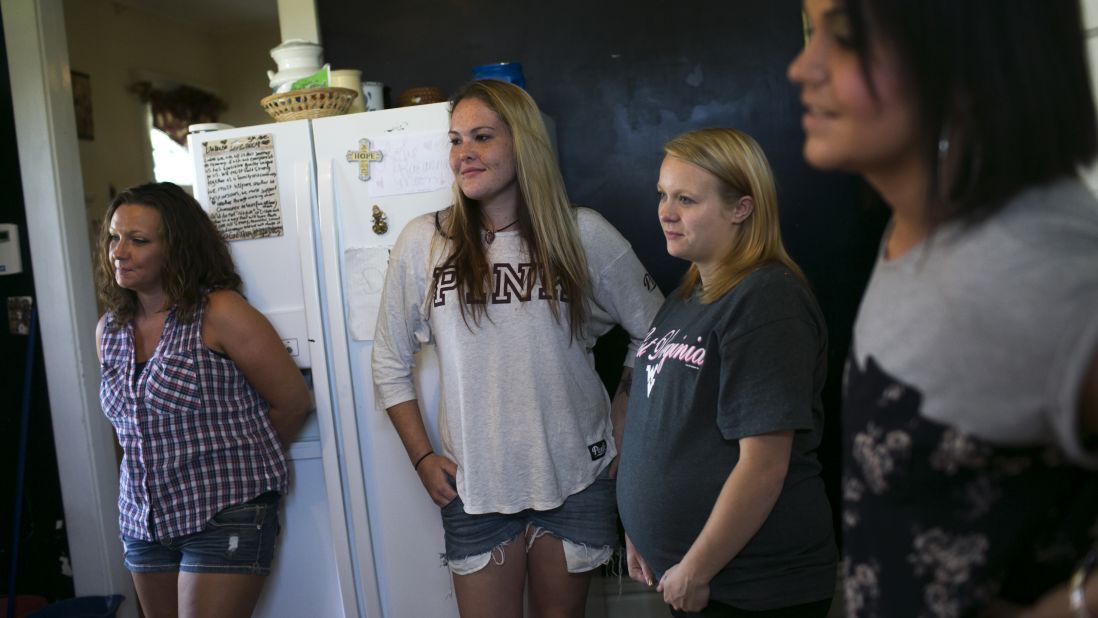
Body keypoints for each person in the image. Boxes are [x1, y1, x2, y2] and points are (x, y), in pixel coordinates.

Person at [789, 1, 1098, 616]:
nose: (803, 66)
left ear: (966, 60)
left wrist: (1074, 604)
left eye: (845, 38)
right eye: (811, 30)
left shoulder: (1044, 269)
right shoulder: (919, 224)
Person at [372, 79, 663, 617]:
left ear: (522, 142)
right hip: (474, 482)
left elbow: (659, 330)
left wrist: (625, 408)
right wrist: (421, 457)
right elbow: (388, 363)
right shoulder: (424, 241)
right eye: (456, 141)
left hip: (574, 475)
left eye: (481, 137)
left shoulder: (583, 233)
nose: (464, 154)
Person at [617, 128, 837, 617]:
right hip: (697, 578)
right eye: (663, 195)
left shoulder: (767, 299)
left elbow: (764, 465)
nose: (665, 212)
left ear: (742, 207)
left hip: (754, 589)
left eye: (686, 199)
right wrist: (641, 529)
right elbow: (661, 427)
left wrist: (696, 567)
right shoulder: (686, 297)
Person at [95, 182, 311, 617]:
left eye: (138, 241)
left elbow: (293, 401)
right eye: (114, 238)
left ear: (176, 247)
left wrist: (240, 464)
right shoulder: (110, 330)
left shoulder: (219, 313)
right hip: (143, 520)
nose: (120, 251)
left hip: (222, 512)